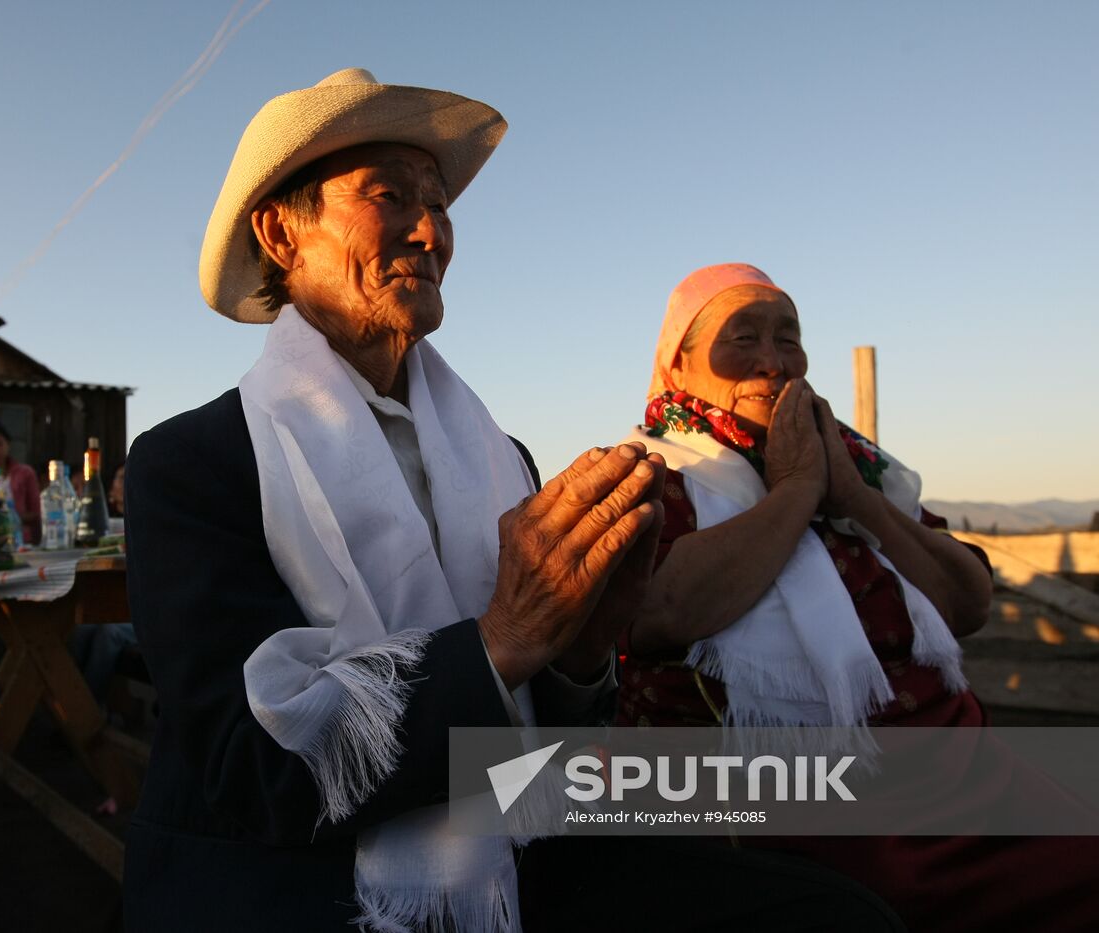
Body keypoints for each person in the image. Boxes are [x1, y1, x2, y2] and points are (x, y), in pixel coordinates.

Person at [122, 71, 904, 932]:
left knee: (838, 917)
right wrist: (503, 640)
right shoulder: (192, 465)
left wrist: (581, 650)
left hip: (524, 846)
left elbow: (553, 745)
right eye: (389, 194)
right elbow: (250, 772)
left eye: (440, 204)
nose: (431, 231)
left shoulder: (497, 456)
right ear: (280, 232)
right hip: (305, 880)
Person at [618, 262, 1098, 931]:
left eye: (788, 338)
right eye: (742, 338)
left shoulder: (859, 472)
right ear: (680, 366)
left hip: (969, 775)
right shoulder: (652, 476)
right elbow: (661, 610)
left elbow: (968, 603)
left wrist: (851, 495)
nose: (771, 361)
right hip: (807, 803)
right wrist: (793, 491)